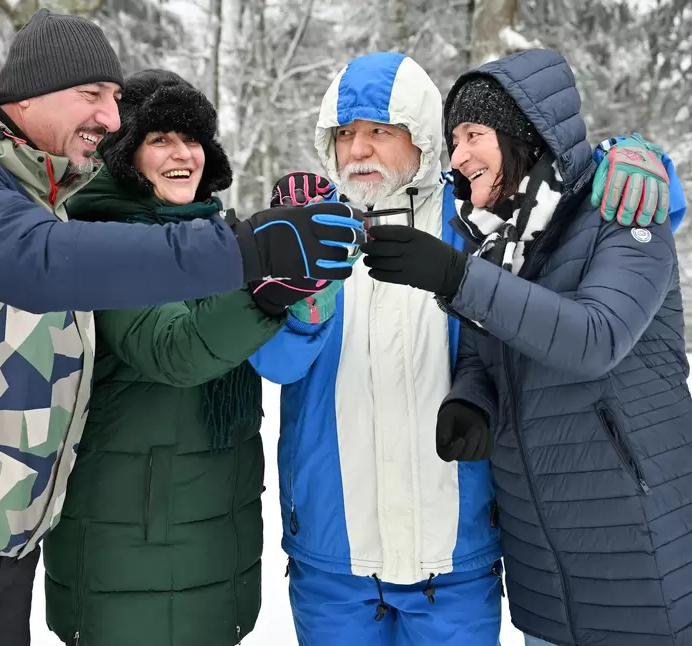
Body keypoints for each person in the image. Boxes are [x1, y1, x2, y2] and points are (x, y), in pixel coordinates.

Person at [0, 10, 365, 646]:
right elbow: (41, 262)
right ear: (30, 90)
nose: (111, 119)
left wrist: (281, 285)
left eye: (116, 101)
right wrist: (245, 252)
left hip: (2, 546)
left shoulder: (47, 195)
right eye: (93, 95)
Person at [250, 51, 680, 646]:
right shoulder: (310, 232)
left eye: (380, 131)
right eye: (344, 134)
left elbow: (571, 256)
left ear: (420, 138)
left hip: (456, 554)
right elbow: (279, 366)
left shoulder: (479, 227)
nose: (358, 150)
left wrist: (642, 160)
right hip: (334, 551)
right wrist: (294, 299)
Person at [42, 69, 318, 646]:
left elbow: (275, 354)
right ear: (124, 153)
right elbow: (176, 350)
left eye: (192, 139)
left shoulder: (214, 238)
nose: (183, 154)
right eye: (160, 139)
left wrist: (309, 264)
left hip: (217, 540)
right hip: (131, 549)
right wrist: (262, 288)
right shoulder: (103, 238)